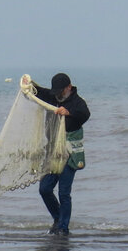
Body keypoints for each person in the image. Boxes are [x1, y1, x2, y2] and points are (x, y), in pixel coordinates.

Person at [33, 72, 90, 235]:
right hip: (53, 153)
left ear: (69, 88)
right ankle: (58, 218)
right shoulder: (52, 97)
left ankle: (63, 228)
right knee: (44, 189)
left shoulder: (78, 102)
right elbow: (39, 92)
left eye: (60, 91)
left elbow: (85, 114)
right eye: (55, 91)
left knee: (64, 192)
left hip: (70, 154)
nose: (57, 94)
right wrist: (28, 83)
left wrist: (69, 113)